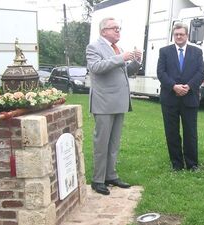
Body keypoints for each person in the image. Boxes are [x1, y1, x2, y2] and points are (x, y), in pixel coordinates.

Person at [86, 17, 142, 195]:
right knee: (101, 143)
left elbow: (125, 71)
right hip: (103, 103)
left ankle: (111, 175)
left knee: (114, 143)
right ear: (103, 31)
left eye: (119, 28)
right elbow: (95, 67)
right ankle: (98, 179)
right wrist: (121, 58)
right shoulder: (94, 47)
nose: (118, 31)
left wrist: (136, 62)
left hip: (119, 102)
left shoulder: (118, 48)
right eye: (114, 28)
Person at [157, 22, 204, 171]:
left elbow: (201, 73)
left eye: (181, 34)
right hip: (170, 98)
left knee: (190, 132)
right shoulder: (164, 51)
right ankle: (176, 164)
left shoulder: (197, 52)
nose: (179, 36)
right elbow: (161, 73)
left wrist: (189, 86)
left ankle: (192, 164)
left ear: (187, 36)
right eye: (176, 34)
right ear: (173, 35)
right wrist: (173, 86)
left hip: (189, 98)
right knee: (172, 132)